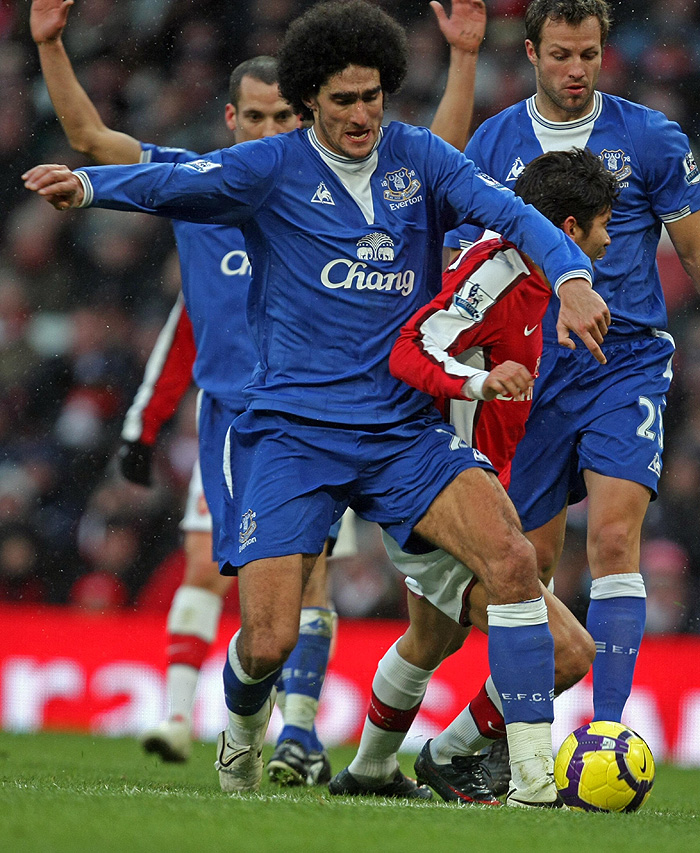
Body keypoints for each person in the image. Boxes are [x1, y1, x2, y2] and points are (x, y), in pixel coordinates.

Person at [24, 0, 612, 808]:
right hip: (293, 434)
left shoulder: (418, 159)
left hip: (402, 430)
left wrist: (573, 278)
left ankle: (535, 787)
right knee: (267, 639)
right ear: (310, 102)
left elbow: (510, 212)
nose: (362, 113)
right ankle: (239, 739)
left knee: (512, 560)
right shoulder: (272, 167)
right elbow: (176, 180)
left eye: (372, 94)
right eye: (343, 100)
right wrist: (89, 185)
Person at [29, 0, 336, 784]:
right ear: (231, 118)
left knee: (313, 573)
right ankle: (223, 719)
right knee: (242, 586)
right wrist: (51, 43)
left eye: (284, 118)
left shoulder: (332, 192)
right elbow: (94, 142)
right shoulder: (198, 180)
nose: (269, 132)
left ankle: (296, 732)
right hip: (234, 421)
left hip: (327, 413)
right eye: (256, 116)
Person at [329, 147, 617, 805]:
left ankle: (371, 772)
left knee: (431, 636)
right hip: (432, 482)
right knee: (569, 651)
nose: (609, 238)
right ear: (568, 227)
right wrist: (479, 380)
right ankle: (459, 759)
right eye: (603, 223)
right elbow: (410, 347)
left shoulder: (528, 276)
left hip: (463, 484)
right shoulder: (494, 274)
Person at [444, 0, 700, 729]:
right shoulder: (493, 145)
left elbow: (694, 252)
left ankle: (610, 732)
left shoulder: (651, 138)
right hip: (531, 373)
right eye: (560, 54)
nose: (575, 69)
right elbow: (466, 263)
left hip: (627, 362)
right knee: (529, 566)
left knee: (616, 536)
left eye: (588, 54)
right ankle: (494, 737)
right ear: (530, 52)